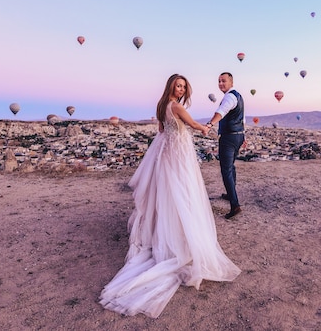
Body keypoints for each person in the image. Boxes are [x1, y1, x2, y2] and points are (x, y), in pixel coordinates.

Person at [99, 74, 241, 318]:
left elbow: (162, 131)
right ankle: (181, 240)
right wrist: (207, 127)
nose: (181, 89)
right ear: (171, 87)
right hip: (179, 156)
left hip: (168, 155)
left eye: (184, 86)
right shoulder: (175, 106)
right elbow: (194, 126)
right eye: (178, 85)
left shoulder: (161, 106)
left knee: (168, 197)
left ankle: (165, 235)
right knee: (183, 195)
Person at [205, 72, 245, 219]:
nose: (221, 83)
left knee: (226, 169)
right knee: (231, 166)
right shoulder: (238, 96)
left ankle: (235, 205)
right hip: (238, 135)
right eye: (219, 81)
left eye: (224, 81)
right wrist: (243, 135)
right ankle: (230, 194)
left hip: (229, 138)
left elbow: (221, 112)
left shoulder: (229, 97)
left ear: (231, 82)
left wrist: (209, 124)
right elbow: (242, 118)